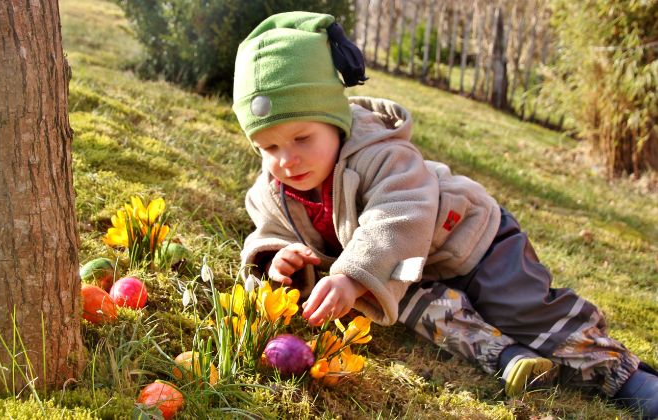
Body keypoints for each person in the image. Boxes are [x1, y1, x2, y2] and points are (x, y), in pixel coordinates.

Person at [232, 11, 658, 417]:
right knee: (435, 316)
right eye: (269, 147)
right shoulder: (274, 190)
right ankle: (513, 359)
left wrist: (349, 275)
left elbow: (398, 216)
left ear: (336, 119)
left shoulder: (381, 154)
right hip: (415, 272)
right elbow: (267, 231)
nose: (288, 160)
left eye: (302, 137)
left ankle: (627, 380)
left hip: (474, 243)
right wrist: (278, 263)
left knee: (525, 311)